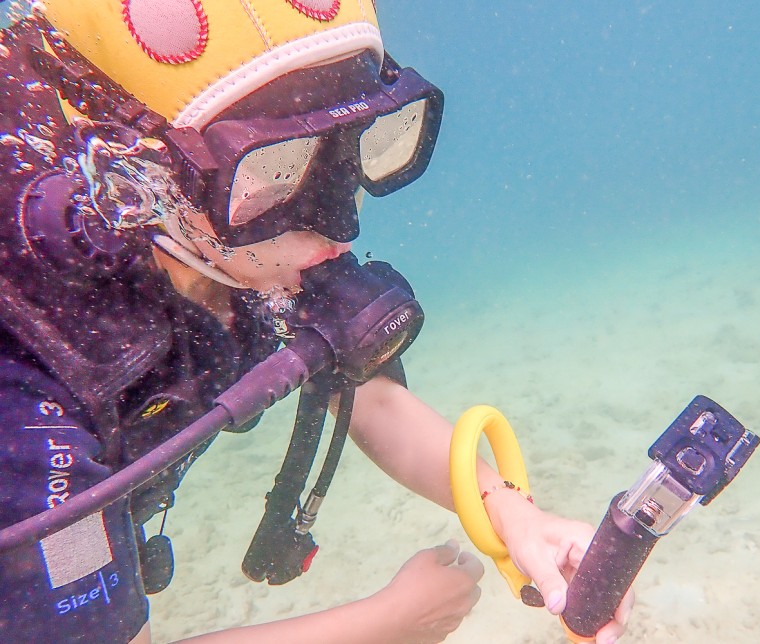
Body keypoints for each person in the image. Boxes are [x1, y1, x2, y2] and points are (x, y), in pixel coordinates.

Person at [0, 2, 632, 643]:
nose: (339, 220)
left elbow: (367, 394)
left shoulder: (235, 247)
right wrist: (386, 624)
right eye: (274, 172)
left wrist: (510, 510)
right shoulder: (23, 370)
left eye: (357, 148)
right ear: (134, 175)